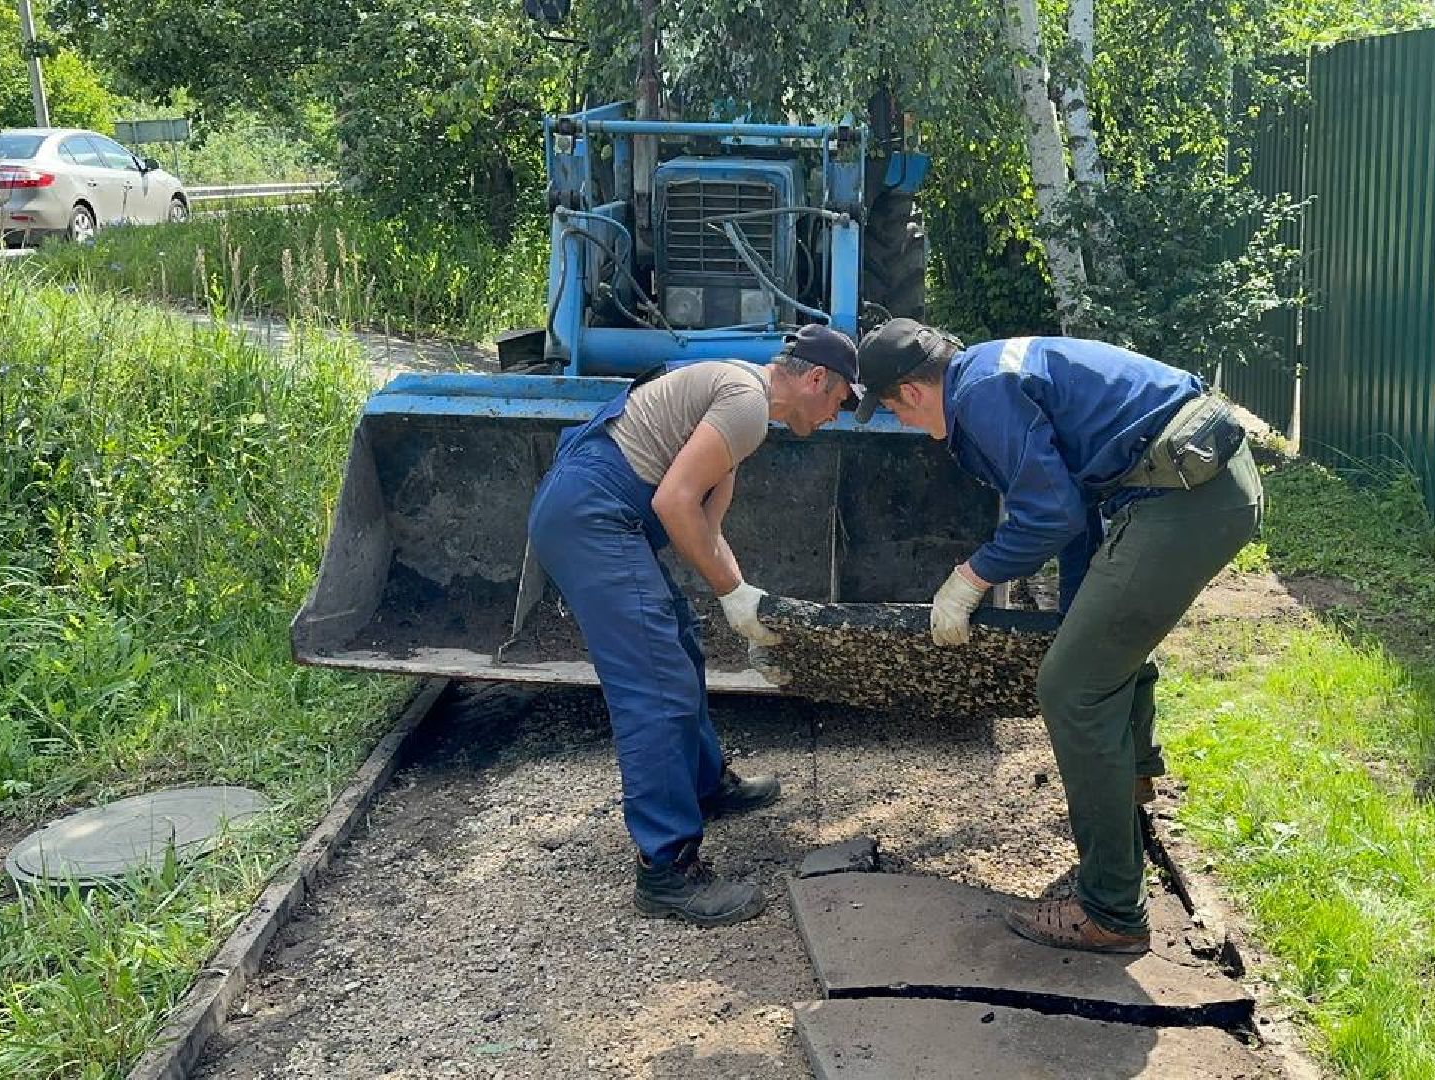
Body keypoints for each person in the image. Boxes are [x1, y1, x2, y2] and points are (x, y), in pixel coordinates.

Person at [854, 319, 1263, 953]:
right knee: (1098, 650)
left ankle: (1111, 911)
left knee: (1073, 687)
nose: (900, 421)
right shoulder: (989, 371)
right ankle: (1126, 807)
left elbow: (1051, 513)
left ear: (908, 391)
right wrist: (1076, 616)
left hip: (1186, 495)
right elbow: (1078, 506)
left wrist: (970, 578)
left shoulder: (979, 396)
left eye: (887, 407)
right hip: (1189, 480)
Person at [527, 325, 860, 926]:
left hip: (596, 504)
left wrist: (743, 600)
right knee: (655, 685)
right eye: (840, 401)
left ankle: (706, 786)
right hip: (593, 511)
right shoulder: (747, 406)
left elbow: (705, 523)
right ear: (815, 379)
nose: (836, 415)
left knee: (679, 643)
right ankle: (667, 870)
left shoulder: (740, 398)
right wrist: (731, 593)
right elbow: (673, 504)